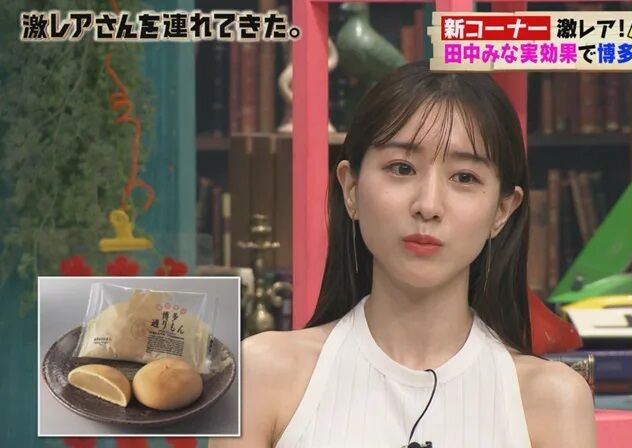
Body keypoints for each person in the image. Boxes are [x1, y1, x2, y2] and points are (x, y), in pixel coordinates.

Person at [213, 62, 595, 448]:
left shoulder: (552, 399)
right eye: (401, 168)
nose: (428, 205)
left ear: (502, 210)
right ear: (351, 189)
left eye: (464, 177)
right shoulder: (262, 373)